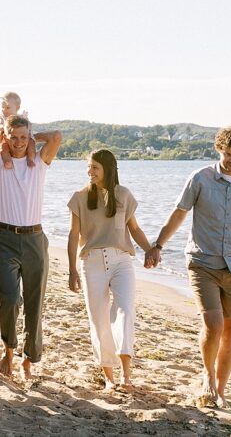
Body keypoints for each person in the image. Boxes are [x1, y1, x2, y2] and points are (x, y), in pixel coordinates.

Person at [145, 127, 231, 409]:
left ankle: (221, 390)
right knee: (213, 325)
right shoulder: (200, 178)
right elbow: (179, 213)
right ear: (219, 151)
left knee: (230, 331)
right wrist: (158, 245)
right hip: (202, 263)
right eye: (228, 154)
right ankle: (208, 377)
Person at [0, 116, 62, 379]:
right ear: (6, 136)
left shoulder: (38, 162)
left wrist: (32, 141)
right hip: (4, 239)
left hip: (35, 239)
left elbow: (57, 136)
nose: (18, 143)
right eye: (13, 137)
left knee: (34, 303)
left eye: (23, 138)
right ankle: (8, 349)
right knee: (10, 299)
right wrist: (4, 138)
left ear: (30, 138)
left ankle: (29, 357)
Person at [66, 149, 153, 391]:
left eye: (95, 167)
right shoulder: (80, 198)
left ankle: (126, 375)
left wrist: (150, 249)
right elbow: (74, 236)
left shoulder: (123, 195)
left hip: (121, 261)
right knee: (99, 320)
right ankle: (109, 378)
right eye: (88, 167)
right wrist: (72, 270)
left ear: (108, 169)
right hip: (91, 262)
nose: (90, 172)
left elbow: (134, 229)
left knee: (125, 311)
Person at [0, 92, 35, 169]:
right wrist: (2, 127)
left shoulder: (22, 117)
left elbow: (29, 126)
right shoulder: (2, 117)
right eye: (2, 107)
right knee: (3, 147)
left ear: (17, 108)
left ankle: (30, 159)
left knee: (31, 143)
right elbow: (0, 125)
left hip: (25, 138)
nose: (4, 110)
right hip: (6, 139)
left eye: (7, 107)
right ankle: (8, 161)